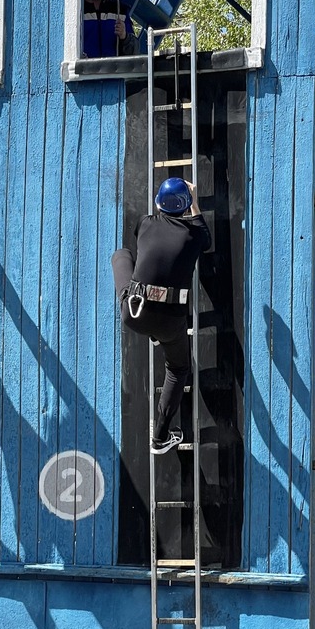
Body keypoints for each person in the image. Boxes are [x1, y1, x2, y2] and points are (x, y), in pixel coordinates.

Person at [111, 178, 211, 454]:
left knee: (121, 254)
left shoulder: (145, 224)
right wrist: (194, 202)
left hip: (134, 311)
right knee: (178, 370)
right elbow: (205, 235)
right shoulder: (195, 236)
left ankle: (135, 309)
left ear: (158, 203)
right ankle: (160, 437)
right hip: (168, 322)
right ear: (186, 205)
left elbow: (148, 248)